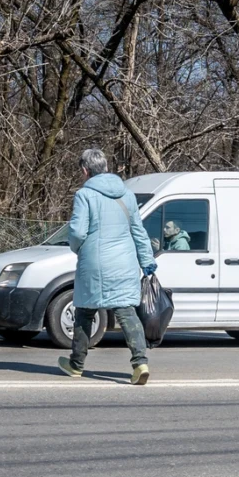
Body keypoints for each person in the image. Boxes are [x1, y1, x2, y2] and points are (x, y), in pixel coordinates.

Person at [58, 149, 157, 384]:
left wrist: (77, 248)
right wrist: (147, 261)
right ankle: (140, 363)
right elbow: (138, 232)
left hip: (94, 263)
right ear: (105, 167)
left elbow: (77, 232)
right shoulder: (127, 195)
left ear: (85, 170)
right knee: (126, 311)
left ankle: (76, 364)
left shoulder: (84, 195)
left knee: (84, 311)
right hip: (124, 262)